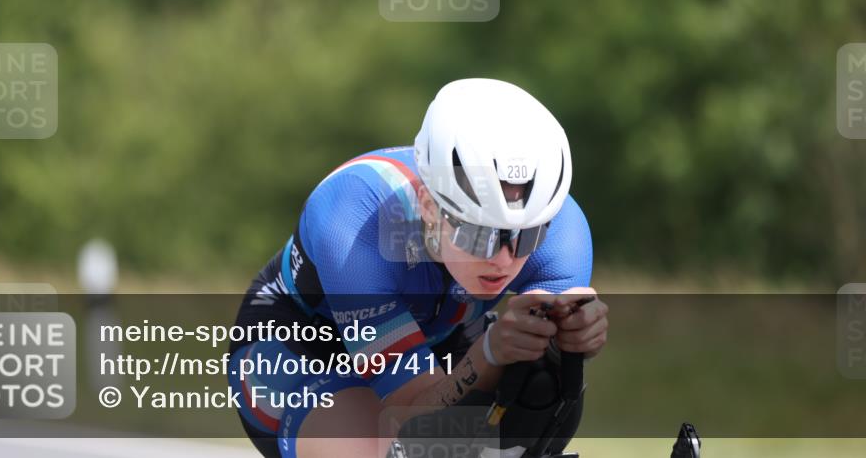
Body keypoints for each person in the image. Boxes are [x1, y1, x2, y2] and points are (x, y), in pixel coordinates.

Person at [227, 78, 608, 458]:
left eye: (527, 237)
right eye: (479, 235)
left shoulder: (563, 234)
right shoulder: (355, 219)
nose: (504, 259)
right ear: (429, 206)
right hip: (305, 345)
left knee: (535, 388)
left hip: (441, 334)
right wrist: (488, 354)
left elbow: (549, 400)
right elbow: (406, 421)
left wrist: (567, 346)